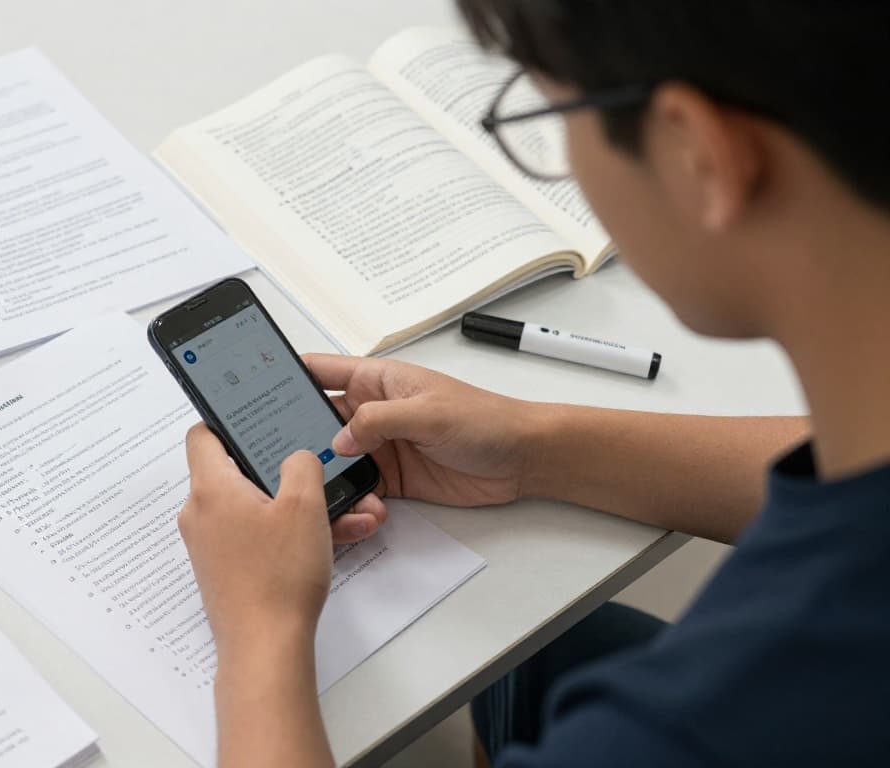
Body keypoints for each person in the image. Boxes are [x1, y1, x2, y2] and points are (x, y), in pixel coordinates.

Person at [176, 1, 890, 766]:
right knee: (540, 656)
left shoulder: (683, 729)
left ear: (699, 153)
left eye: (556, 117)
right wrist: (534, 448)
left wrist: (260, 639)